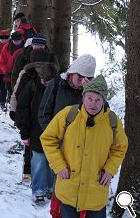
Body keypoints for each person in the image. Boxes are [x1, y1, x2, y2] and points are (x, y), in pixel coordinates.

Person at [40, 75, 128, 217]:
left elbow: (120, 148)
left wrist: (110, 170)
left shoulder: (112, 121)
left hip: (96, 193)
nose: (93, 104)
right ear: (83, 97)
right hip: (69, 189)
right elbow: (47, 138)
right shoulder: (69, 114)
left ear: (104, 101)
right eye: (90, 98)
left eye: (98, 99)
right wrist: (59, 165)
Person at [16, 53, 59, 204]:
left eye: (50, 82)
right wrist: (24, 132)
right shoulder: (32, 86)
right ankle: (39, 190)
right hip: (35, 131)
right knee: (39, 160)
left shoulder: (59, 88)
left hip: (55, 132)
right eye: (45, 82)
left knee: (53, 161)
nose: (47, 85)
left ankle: (50, 188)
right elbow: (22, 108)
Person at [38, 54, 96, 131]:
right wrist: (53, 135)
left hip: (82, 139)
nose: (82, 82)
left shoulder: (94, 91)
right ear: (72, 72)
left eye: (87, 79)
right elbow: (44, 114)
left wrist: (90, 93)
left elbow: (101, 115)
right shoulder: (56, 84)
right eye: (79, 78)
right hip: (58, 136)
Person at [0, 31, 24, 110]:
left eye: (18, 40)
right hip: (9, 74)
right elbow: (1, 62)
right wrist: (6, 70)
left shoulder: (25, 48)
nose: (16, 42)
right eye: (14, 40)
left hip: (21, 73)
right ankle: (11, 104)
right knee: (10, 90)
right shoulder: (6, 47)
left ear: (21, 39)